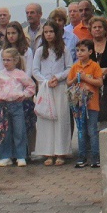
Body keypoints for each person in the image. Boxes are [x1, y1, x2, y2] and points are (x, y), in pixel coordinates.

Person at [32, 20, 72, 165]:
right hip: (45, 89)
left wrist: (58, 77)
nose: (48, 35)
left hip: (60, 88)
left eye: (51, 32)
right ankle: (48, 153)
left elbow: (69, 68)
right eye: (46, 32)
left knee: (61, 120)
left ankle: (61, 152)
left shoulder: (64, 49)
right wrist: (46, 81)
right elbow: (35, 70)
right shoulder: (40, 51)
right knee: (46, 120)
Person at [0, 47, 35, 167]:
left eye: (8, 60)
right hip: (4, 105)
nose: (5, 62)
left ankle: (20, 155)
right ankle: (5, 156)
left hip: (17, 105)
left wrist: (24, 95)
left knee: (19, 131)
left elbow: (31, 86)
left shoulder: (20, 74)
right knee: (4, 131)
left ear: (15, 60)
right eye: (4, 60)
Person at [68, 40, 104, 168]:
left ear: (90, 52)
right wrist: (76, 78)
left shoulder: (94, 66)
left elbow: (99, 82)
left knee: (92, 131)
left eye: (82, 50)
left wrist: (86, 78)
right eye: (77, 50)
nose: (79, 53)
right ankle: (82, 158)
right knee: (81, 131)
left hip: (92, 105)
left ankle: (95, 158)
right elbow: (68, 83)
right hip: (78, 105)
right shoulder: (75, 67)